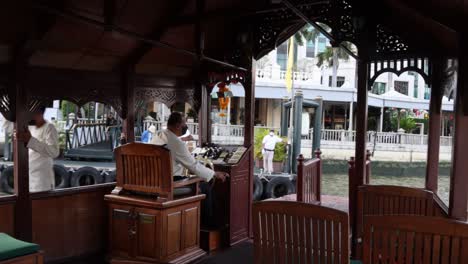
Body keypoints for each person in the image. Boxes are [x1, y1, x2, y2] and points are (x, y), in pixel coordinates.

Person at [151, 112, 227, 226]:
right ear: (177, 125)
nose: (185, 127)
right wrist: (215, 174)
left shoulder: (159, 134)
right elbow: (193, 166)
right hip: (170, 184)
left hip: (155, 181)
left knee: (198, 182)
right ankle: (210, 225)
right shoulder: (177, 143)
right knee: (205, 187)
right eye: (184, 124)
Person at [14, 106, 60, 192]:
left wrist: (30, 140)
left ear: (40, 112)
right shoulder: (29, 127)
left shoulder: (49, 127)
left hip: (41, 182)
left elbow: (54, 152)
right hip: (27, 178)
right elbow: (7, 126)